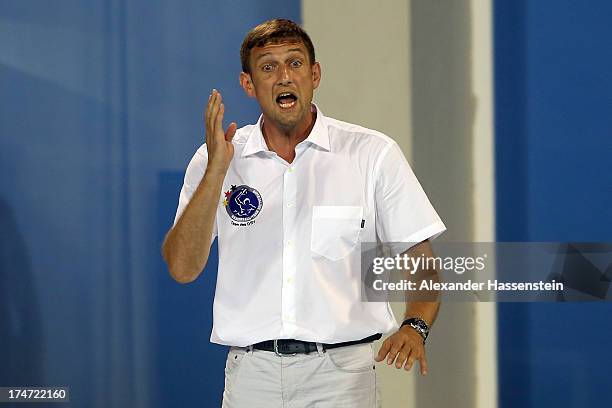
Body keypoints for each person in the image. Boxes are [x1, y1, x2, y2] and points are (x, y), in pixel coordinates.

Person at [162, 18, 446, 408]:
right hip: (251, 376)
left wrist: (415, 326)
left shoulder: (372, 154)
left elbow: (420, 261)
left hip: (343, 376)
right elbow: (182, 267)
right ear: (248, 84)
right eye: (268, 67)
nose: (283, 77)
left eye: (295, 64)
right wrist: (216, 171)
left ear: (314, 74)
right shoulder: (218, 158)